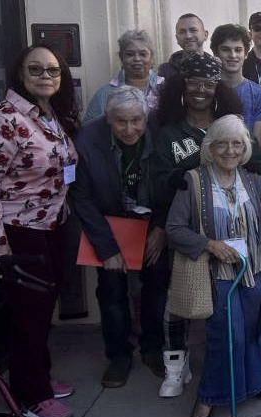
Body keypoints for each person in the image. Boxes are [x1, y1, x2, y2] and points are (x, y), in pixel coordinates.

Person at [0, 44, 81, 417]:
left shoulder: (48, 114)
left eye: (53, 70)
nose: (46, 76)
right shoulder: (6, 119)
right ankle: (30, 394)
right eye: (36, 69)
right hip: (15, 229)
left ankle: (39, 375)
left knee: (42, 306)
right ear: (20, 74)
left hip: (50, 223)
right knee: (29, 311)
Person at [150, 53, 261, 398]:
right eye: (193, 83)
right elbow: (158, 183)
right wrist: (186, 179)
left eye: (208, 84)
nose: (200, 90)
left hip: (231, 229)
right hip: (186, 226)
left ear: (218, 88)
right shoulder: (169, 131)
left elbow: (257, 164)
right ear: (181, 86)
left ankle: (242, 364)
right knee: (179, 297)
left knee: (233, 302)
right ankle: (176, 365)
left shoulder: (230, 126)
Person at [165, 115, 261, 417]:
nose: (230, 151)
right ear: (210, 147)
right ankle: (207, 398)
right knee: (227, 336)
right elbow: (174, 229)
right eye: (222, 144)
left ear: (245, 149)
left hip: (255, 269)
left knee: (251, 331)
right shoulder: (193, 180)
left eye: (237, 144)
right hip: (217, 275)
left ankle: (254, 382)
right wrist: (209, 244)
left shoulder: (253, 180)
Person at [72, 86, 169, 388]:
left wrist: (161, 229)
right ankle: (118, 356)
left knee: (156, 287)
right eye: (120, 122)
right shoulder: (87, 140)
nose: (129, 129)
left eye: (136, 121)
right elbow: (81, 198)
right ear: (108, 119)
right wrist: (106, 247)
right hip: (109, 222)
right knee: (111, 291)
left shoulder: (161, 134)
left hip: (151, 222)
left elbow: (172, 185)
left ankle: (153, 348)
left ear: (146, 117)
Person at [211, 24, 261, 165]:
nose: (233, 55)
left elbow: (255, 144)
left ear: (245, 54)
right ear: (216, 53)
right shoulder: (207, 90)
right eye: (226, 49)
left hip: (247, 166)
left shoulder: (260, 94)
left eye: (238, 50)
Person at [85, 30, 164, 122]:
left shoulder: (165, 88)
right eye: (130, 54)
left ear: (151, 58)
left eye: (143, 54)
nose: (137, 59)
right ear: (121, 58)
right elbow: (89, 128)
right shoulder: (104, 95)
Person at [159, 13, 209, 79]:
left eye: (193, 30)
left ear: (205, 35)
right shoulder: (166, 71)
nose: (188, 36)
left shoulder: (217, 67)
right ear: (177, 39)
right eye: (182, 32)